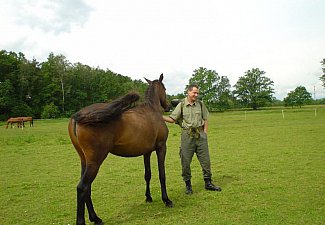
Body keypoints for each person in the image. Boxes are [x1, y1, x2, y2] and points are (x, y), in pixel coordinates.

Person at [163, 84, 222, 194]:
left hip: (200, 135)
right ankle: (188, 185)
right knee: (185, 162)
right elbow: (172, 119)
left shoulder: (200, 104)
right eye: (194, 92)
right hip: (187, 136)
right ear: (188, 92)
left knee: (206, 161)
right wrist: (159, 116)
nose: (196, 95)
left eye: (197, 93)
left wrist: (205, 133)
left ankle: (208, 183)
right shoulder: (181, 105)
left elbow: (205, 119)